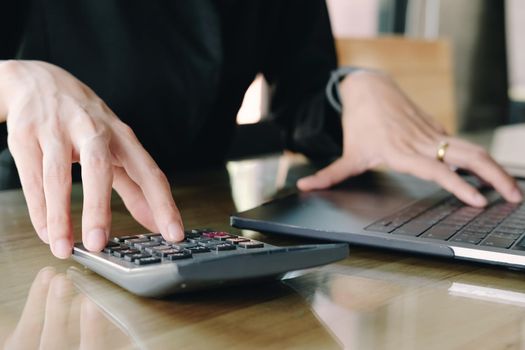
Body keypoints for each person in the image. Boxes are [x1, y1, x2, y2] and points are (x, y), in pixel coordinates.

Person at [0, 1, 521, 259]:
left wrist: (352, 90)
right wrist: (12, 80)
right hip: (33, 229)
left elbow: (304, 91)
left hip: (201, 224)